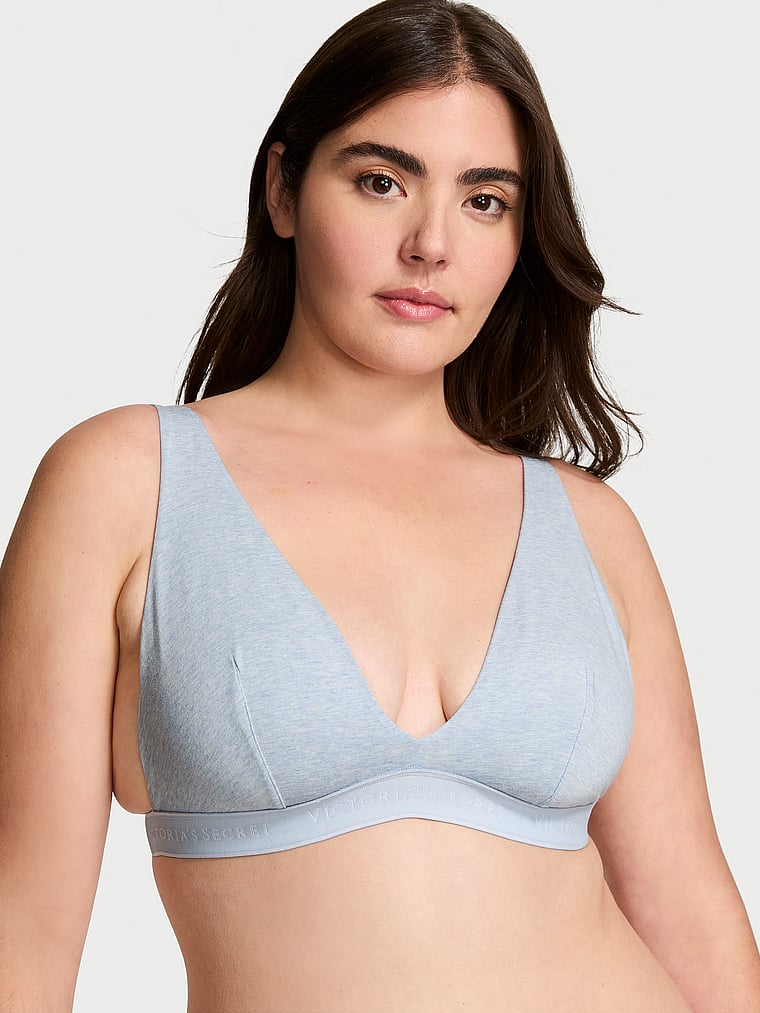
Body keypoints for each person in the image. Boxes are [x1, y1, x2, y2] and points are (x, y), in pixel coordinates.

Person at [1, 0, 759, 1010]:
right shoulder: (126, 481)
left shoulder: (589, 525)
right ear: (282, 189)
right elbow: (23, 922)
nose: (430, 244)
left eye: (484, 200)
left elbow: (690, 912)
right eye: (380, 181)